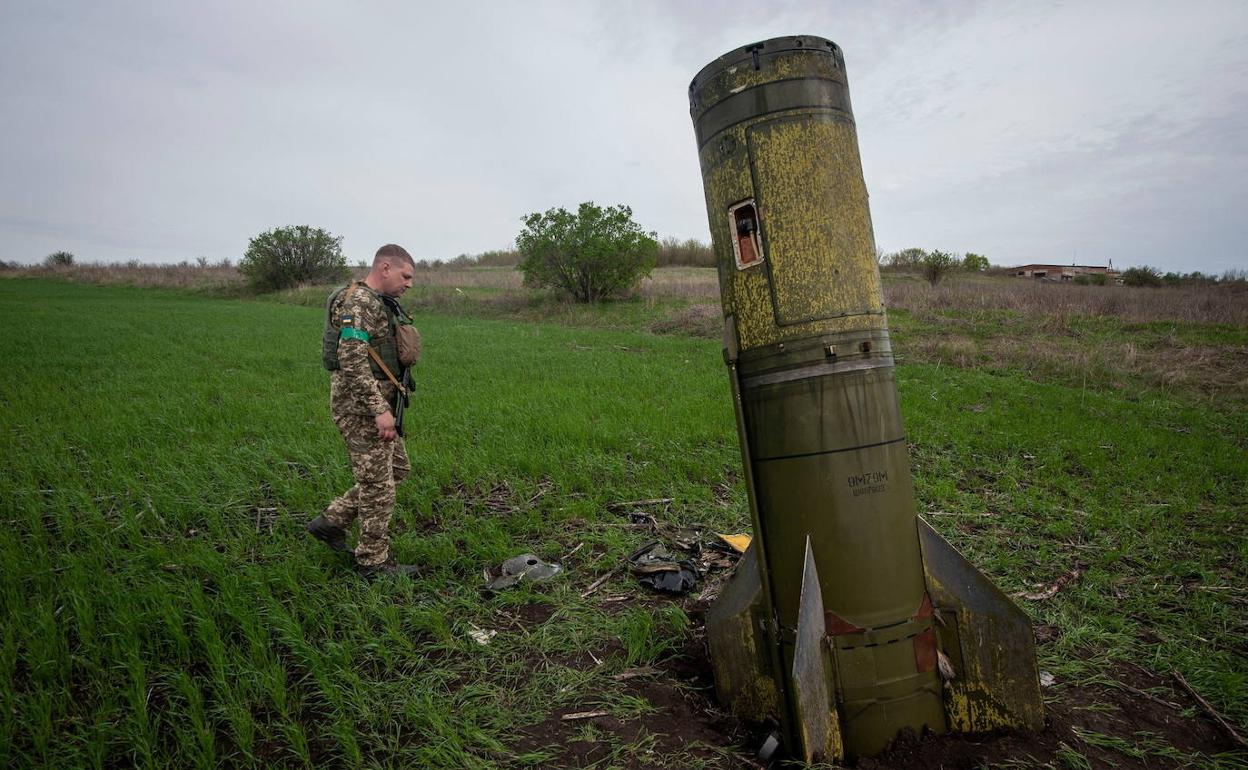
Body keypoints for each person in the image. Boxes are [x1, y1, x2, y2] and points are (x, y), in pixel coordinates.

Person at [307, 244, 420, 579]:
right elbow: (352, 359)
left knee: (397, 470)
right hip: (361, 410)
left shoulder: (374, 301)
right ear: (385, 268)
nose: (409, 283)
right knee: (378, 486)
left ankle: (332, 521)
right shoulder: (358, 302)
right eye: (405, 276)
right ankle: (372, 562)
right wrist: (378, 410)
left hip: (375, 406)